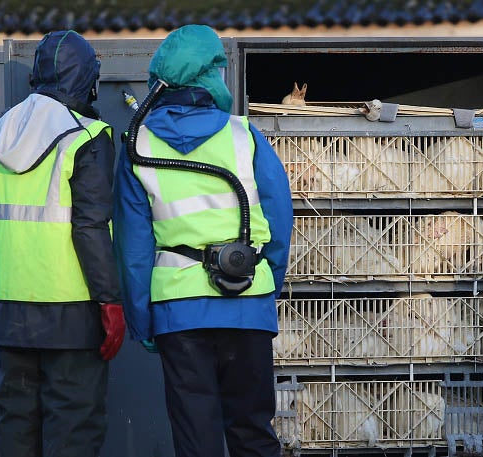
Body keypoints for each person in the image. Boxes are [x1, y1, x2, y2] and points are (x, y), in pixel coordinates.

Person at [113, 24, 294, 457]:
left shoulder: (138, 144)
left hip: (179, 313)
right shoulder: (243, 135)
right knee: (252, 431)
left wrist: (143, 320)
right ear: (212, 74)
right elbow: (280, 220)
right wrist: (268, 283)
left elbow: (132, 246)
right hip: (247, 301)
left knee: (197, 439)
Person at [0, 30, 125, 457]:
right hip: (73, 314)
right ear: (85, 79)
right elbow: (90, 226)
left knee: (17, 427)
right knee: (74, 430)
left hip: (13, 313)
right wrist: (110, 301)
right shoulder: (87, 136)